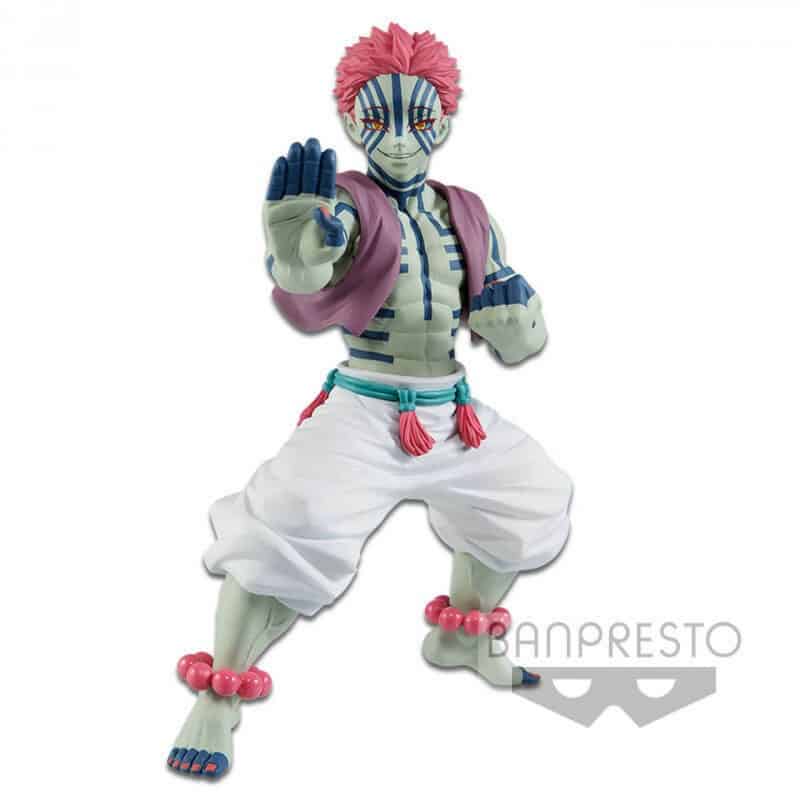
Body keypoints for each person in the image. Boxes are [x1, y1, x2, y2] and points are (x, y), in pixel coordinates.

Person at [168, 22, 572, 779]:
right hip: (364, 408)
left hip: (451, 411)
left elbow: (519, 336)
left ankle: (463, 636)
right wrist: (297, 254)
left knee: (532, 495)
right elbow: (311, 268)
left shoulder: (470, 214)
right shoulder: (348, 206)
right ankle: (218, 698)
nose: (398, 138)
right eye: (378, 117)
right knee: (286, 524)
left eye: (417, 118)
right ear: (352, 120)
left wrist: (518, 321)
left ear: (443, 121)